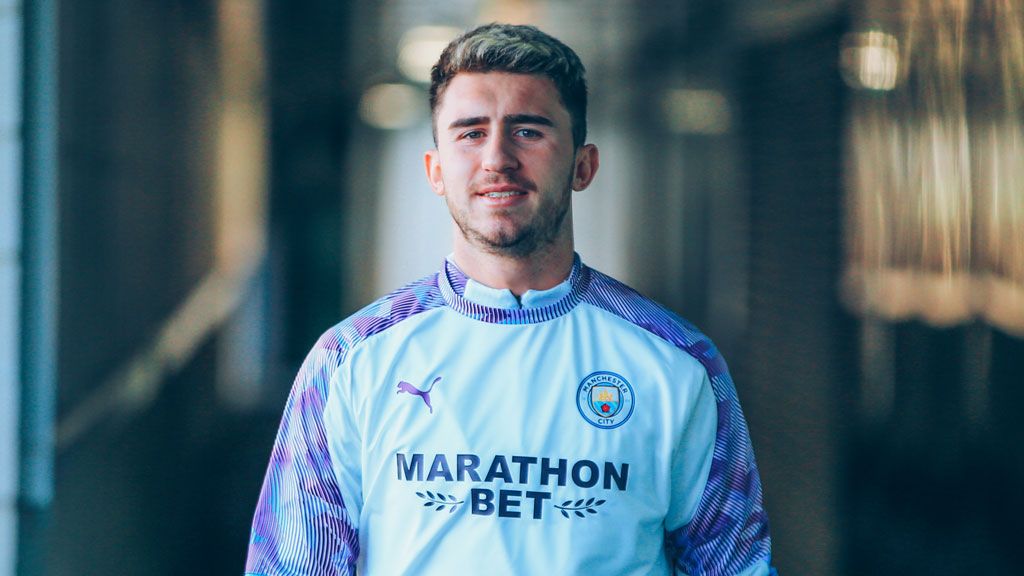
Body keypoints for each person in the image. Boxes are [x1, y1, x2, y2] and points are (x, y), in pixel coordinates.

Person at [245, 23, 774, 576]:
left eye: (528, 130)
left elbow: (733, 565)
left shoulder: (677, 363)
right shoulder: (350, 362)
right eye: (470, 133)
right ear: (436, 170)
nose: (497, 157)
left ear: (583, 165)